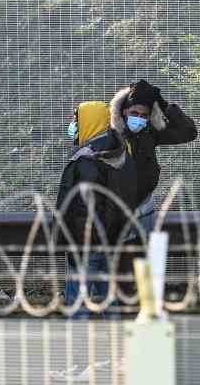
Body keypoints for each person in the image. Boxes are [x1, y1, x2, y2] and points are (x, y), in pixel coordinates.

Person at [108, 79, 198, 301]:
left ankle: (143, 302)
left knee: (144, 256)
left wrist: (164, 105)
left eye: (144, 114)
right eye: (134, 112)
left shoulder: (149, 133)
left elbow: (188, 132)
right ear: (123, 110)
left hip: (144, 205)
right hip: (116, 206)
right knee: (120, 259)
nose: (138, 118)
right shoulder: (111, 133)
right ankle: (120, 302)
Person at [56, 101, 140, 317]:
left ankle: (78, 346)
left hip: (87, 242)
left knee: (79, 303)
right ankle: (116, 346)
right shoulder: (121, 152)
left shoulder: (87, 160)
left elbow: (82, 208)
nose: (74, 125)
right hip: (114, 240)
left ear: (89, 122)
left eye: (77, 120)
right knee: (109, 299)